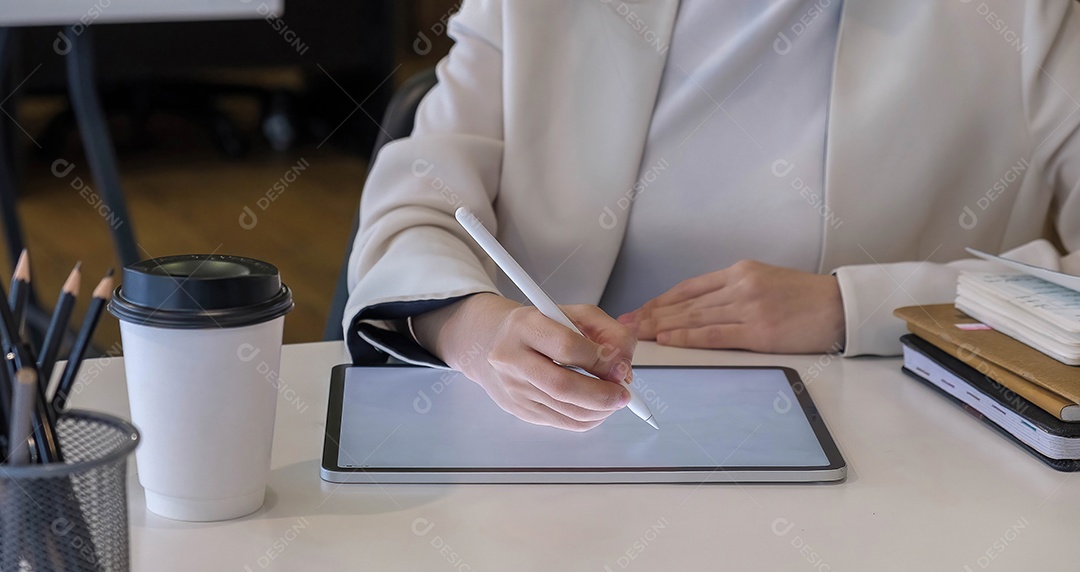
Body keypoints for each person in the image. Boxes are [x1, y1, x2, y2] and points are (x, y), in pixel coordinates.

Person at [343, 0, 1080, 431]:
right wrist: (474, 328)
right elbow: (415, 210)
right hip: (555, 452)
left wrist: (854, 308)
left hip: (900, 462)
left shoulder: (1027, 19)